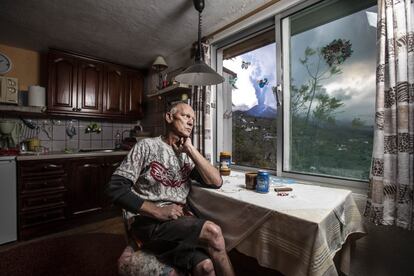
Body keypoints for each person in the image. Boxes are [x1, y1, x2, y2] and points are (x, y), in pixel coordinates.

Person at [106, 102, 234, 276]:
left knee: (206, 268)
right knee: (214, 232)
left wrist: (190, 149)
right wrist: (157, 211)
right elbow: (115, 189)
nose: (191, 122)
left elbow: (216, 181)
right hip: (148, 221)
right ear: (168, 117)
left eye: (193, 119)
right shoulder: (146, 146)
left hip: (177, 223)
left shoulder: (186, 156)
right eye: (186, 116)